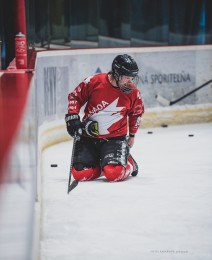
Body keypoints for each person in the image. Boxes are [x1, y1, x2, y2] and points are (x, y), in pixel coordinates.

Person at [65, 54, 144, 182]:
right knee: (80, 174)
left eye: (132, 78)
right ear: (117, 74)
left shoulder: (133, 93)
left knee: (114, 174)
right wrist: (72, 116)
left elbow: (136, 113)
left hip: (115, 139)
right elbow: (75, 96)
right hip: (88, 136)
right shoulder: (93, 82)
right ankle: (102, 165)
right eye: (127, 78)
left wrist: (132, 135)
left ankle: (129, 162)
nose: (130, 82)